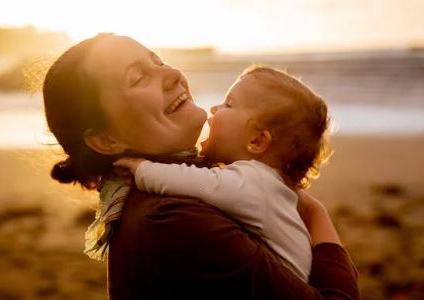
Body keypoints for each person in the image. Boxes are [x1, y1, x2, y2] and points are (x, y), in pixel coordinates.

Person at [43, 33, 360, 299]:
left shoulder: (169, 193)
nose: (171, 75)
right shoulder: (172, 219)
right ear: (105, 139)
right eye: (139, 78)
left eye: (158, 60)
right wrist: (315, 214)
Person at [112, 65, 331, 282]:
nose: (214, 109)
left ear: (256, 141)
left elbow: (194, 182)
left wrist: (141, 169)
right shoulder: (267, 186)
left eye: (228, 104)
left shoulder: (254, 182)